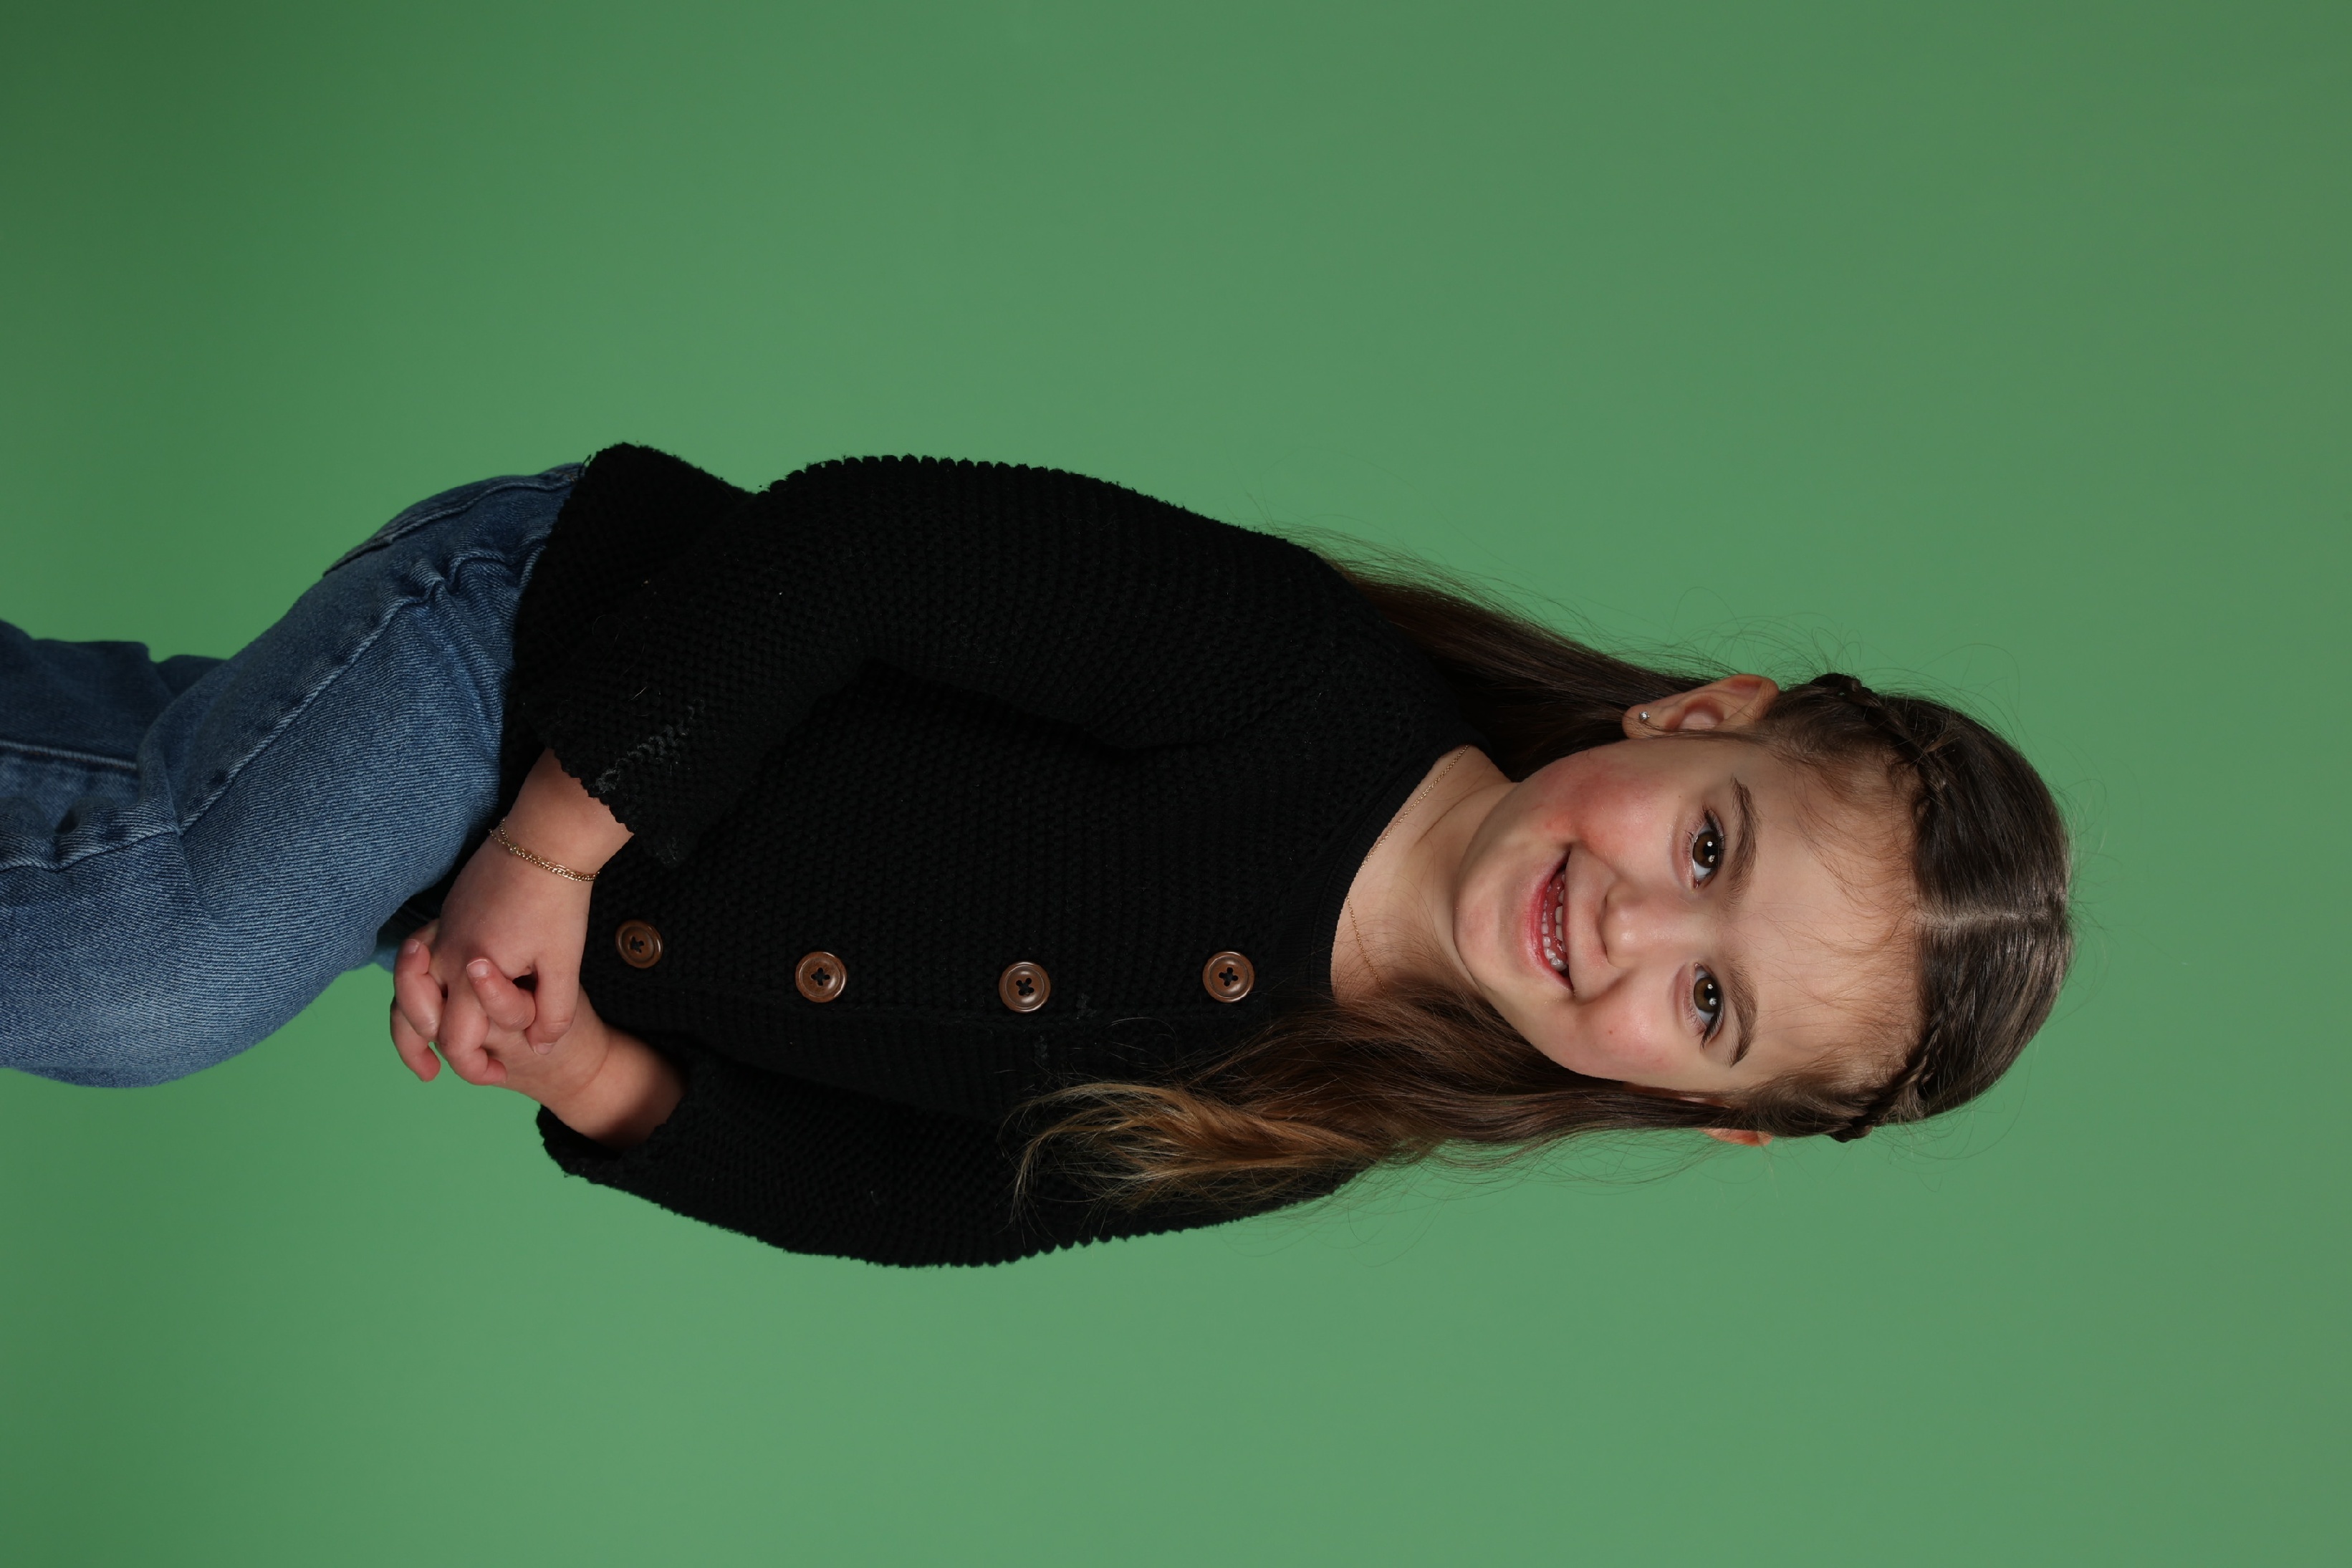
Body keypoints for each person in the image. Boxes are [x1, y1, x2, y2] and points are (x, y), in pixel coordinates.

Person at [0, 446, 2073, 1266]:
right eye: (1705, 844)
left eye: (1706, 1000)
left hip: (544, 897)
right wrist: (551, 847)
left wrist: (597, 1074)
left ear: (1705, 1110)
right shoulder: (1291, 684)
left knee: (119, 806)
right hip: (547, 653)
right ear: (1696, 720)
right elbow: (857, 548)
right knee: (143, 968)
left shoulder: (1303, 1115)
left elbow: (925, 1198)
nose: (1631, 926)